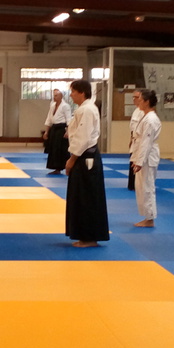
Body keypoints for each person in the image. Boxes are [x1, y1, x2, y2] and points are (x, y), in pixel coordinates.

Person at [64, 79, 109, 247]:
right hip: (84, 156)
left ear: (82, 92)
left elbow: (83, 137)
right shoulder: (84, 108)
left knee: (87, 198)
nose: (71, 95)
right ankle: (84, 235)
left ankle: (89, 238)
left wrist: (72, 159)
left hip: (85, 157)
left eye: (73, 92)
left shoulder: (87, 110)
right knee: (81, 196)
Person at [130, 89, 161, 228]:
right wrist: (135, 158)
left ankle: (150, 219)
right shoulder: (145, 116)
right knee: (142, 187)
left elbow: (146, 143)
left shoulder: (150, 119)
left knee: (148, 187)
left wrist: (140, 161)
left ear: (147, 102)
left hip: (148, 156)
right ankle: (147, 216)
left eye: (141, 99)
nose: (138, 102)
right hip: (144, 154)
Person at [42, 88, 73, 175]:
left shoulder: (65, 106)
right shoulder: (52, 106)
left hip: (61, 129)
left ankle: (67, 167)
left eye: (56, 96)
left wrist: (68, 131)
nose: (54, 97)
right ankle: (56, 168)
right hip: (54, 128)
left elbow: (69, 119)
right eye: (54, 96)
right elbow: (49, 119)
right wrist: (46, 131)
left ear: (61, 96)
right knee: (53, 149)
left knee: (61, 149)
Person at [127, 89, 144, 190]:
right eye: (133, 97)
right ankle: (132, 184)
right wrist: (131, 139)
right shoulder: (136, 110)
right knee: (132, 161)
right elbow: (133, 128)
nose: (134, 99)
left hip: (140, 141)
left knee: (138, 162)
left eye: (136, 97)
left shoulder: (144, 112)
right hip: (134, 139)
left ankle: (138, 184)